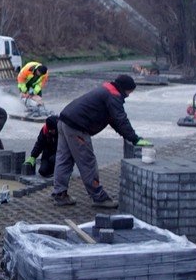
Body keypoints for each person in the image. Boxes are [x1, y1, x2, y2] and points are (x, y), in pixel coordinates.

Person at [52, 74, 151, 208]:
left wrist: (129, 137)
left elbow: (114, 120)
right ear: (125, 88)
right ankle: (99, 198)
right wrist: (135, 139)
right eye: (129, 92)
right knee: (87, 162)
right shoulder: (113, 95)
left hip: (64, 121)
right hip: (77, 127)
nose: (129, 95)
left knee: (64, 159)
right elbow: (121, 119)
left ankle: (60, 194)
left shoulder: (106, 89)